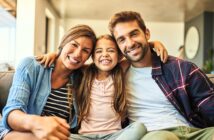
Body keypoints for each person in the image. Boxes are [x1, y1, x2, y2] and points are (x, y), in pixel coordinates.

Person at [108, 11, 214, 140]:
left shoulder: (182, 68)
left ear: (146, 33)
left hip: (193, 132)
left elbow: (208, 103)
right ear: (118, 46)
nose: (130, 43)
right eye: (122, 39)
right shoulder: (116, 74)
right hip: (155, 133)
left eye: (134, 34)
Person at [0, 24, 97, 140]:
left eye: (85, 51)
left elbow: (113, 64)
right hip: (17, 133)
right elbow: (12, 114)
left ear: (89, 57)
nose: (77, 54)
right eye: (74, 45)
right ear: (63, 43)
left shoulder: (82, 77)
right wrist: (38, 123)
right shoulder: (31, 66)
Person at [70, 34, 146, 139]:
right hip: (85, 136)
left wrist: (153, 44)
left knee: (139, 127)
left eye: (110, 50)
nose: (105, 54)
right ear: (92, 56)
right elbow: (67, 61)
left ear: (119, 56)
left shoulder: (120, 70)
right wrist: (53, 55)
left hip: (114, 136)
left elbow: (135, 52)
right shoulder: (85, 71)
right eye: (99, 51)